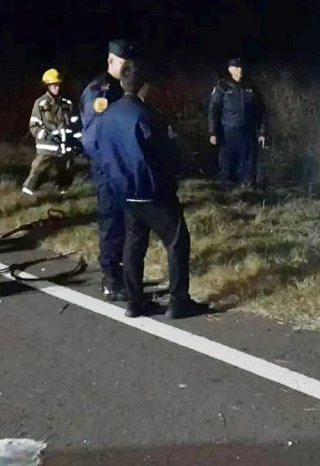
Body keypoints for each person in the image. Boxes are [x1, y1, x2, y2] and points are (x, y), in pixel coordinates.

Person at [92, 60, 210, 319]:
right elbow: (166, 154)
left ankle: (134, 302)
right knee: (177, 240)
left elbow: (95, 148)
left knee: (134, 243)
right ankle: (179, 301)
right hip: (152, 191)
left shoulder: (107, 115)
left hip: (124, 192)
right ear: (144, 87)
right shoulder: (148, 116)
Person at [80, 39, 135, 301]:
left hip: (128, 169)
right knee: (111, 223)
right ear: (111, 60)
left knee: (129, 224)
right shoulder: (99, 90)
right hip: (108, 170)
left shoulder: (128, 87)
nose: (127, 67)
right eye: (123, 62)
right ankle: (111, 279)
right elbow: (92, 138)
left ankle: (125, 276)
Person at [208, 57, 267, 187]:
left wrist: (262, 132)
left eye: (241, 67)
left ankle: (247, 188)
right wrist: (213, 132)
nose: (240, 70)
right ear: (230, 70)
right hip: (228, 131)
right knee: (228, 162)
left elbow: (261, 111)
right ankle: (228, 191)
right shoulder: (222, 86)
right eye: (236, 67)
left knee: (248, 162)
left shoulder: (250, 86)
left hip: (248, 131)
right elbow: (213, 110)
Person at [22, 69, 77, 195]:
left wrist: (74, 140)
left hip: (64, 147)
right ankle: (27, 194)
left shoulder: (67, 104)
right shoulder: (41, 103)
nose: (56, 88)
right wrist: (48, 136)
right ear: (48, 86)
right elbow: (34, 126)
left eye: (58, 85)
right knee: (38, 170)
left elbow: (72, 124)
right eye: (53, 86)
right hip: (47, 147)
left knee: (66, 170)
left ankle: (63, 193)